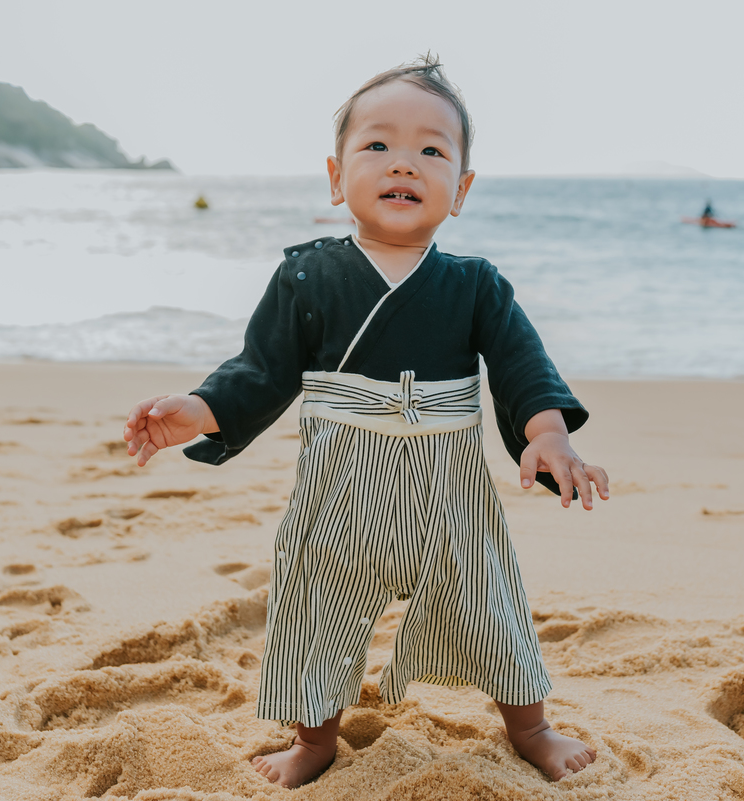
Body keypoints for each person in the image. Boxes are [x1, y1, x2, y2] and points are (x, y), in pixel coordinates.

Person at [122, 54, 609, 789]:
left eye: (432, 150)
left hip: (449, 492)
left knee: (490, 598)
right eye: (377, 145)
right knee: (316, 603)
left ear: (462, 188)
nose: (403, 163)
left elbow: (521, 369)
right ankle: (314, 739)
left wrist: (547, 434)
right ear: (334, 175)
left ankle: (531, 725)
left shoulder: (475, 284)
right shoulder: (307, 276)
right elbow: (260, 369)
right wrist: (199, 409)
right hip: (340, 485)